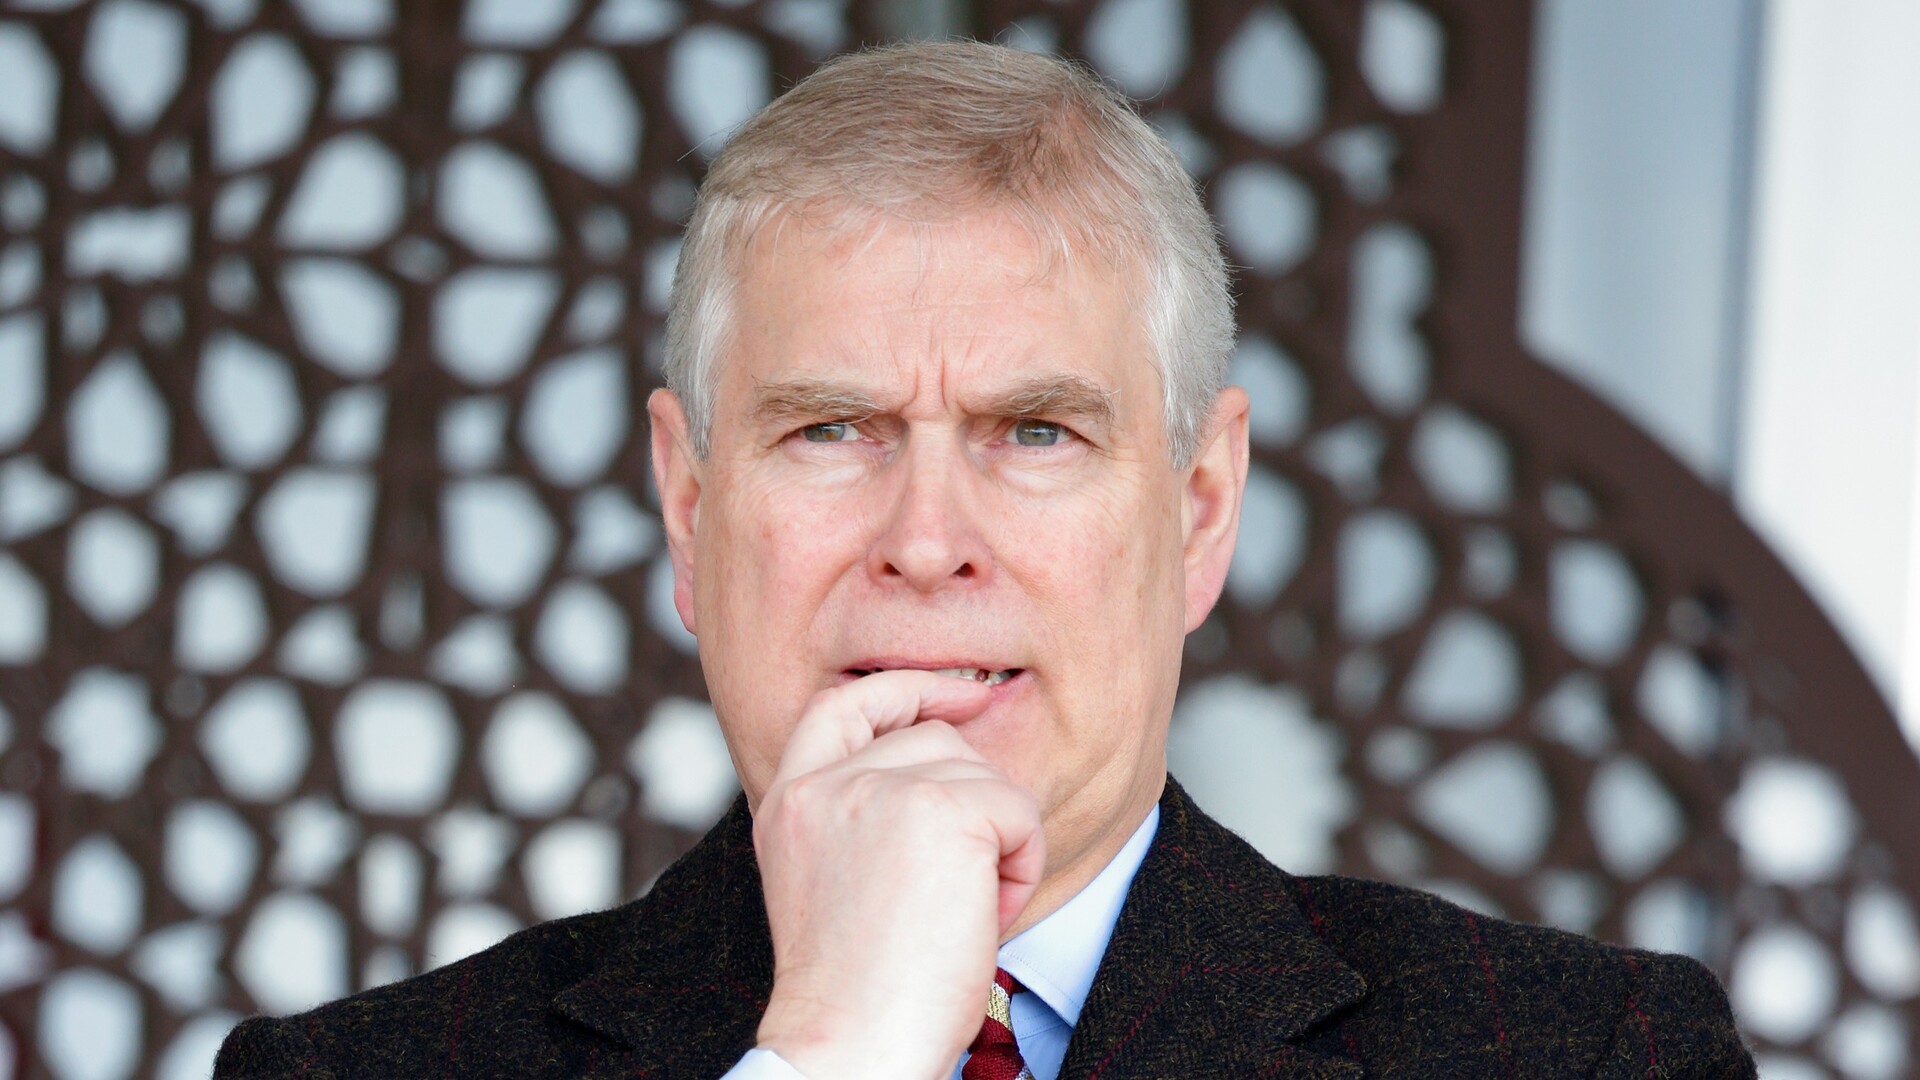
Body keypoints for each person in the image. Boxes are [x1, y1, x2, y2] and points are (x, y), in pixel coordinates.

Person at [215, 39, 1754, 1079]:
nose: (927, 543)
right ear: (689, 506)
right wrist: (833, 1052)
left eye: (1035, 432)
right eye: (832, 429)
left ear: (1199, 508)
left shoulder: (1592, 1054)